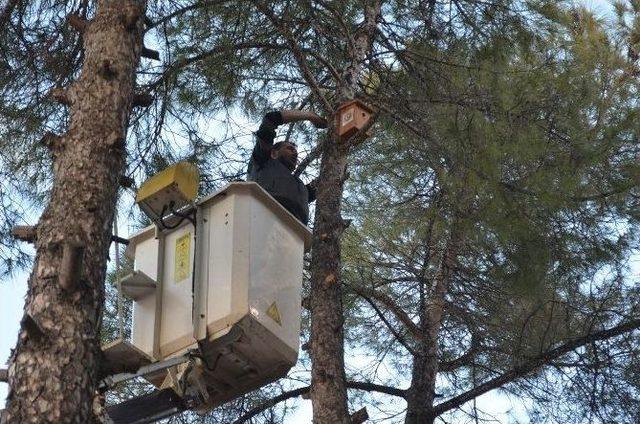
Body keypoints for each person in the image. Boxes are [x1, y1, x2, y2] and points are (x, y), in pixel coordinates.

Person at [247, 110, 327, 225]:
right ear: (273, 153)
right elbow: (270, 119)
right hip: (260, 221)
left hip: (294, 235)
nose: (295, 153)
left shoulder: (302, 189)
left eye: (296, 151)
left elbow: (326, 180)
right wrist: (310, 116)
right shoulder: (262, 161)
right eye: (290, 149)